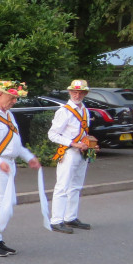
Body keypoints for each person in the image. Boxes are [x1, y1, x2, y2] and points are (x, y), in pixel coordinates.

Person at [0, 79, 41, 257]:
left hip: (8, 164)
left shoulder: (8, 115)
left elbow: (16, 144)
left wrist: (29, 157)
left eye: (16, 98)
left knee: (7, 203)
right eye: (12, 98)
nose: (14, 101)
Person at [48, 79, 95, 233]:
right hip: (69, 152)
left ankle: (70, 217)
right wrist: (73, 144)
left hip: (82, 152)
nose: (77, 94)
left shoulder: (85, 110)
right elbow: (52, 135)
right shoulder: (64, 111)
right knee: (62, 186)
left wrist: (91, 144)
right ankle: (56, 220)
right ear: (69, 92)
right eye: (74, 92)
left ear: (85, 93)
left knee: (76, 186)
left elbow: (83, 132)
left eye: (81, 92)